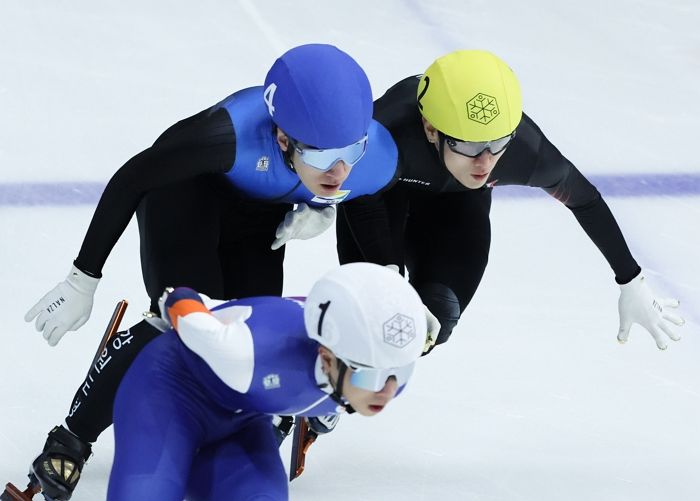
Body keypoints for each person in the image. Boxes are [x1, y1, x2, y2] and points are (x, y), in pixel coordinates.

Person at [21, 44, 400, 500]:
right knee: (182, 323)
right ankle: (71, 439)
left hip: (258, 213)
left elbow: (370, 199)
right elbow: (133, 178)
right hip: (185, 195)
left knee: (251, 329)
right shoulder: (230, 135)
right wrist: (83, 278)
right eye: (322, 157)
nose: (339, 170)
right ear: (282, 138)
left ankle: (255, 421)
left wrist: (332, 214)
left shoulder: (373, 154)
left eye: (351, 151)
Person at [337, 49, 685, 353]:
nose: (485, 162)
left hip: (457, 210)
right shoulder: (386, 131)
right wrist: (387, 269)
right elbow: (352, 189)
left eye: (497, 143)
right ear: (430, 129)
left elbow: (585, 201)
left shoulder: (525, 152)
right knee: (374, 309)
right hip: (380, 199)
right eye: (469, 146)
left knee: (429, 324)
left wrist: (630, 279)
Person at [107, 262, 426, 500]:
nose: (386, 390)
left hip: (241, 420)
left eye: (399, 372)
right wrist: (181, 299)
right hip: (169, 395)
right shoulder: (246, 351)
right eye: (369, 373)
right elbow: (179, 299)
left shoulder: (386, 371)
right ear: (327, 359)